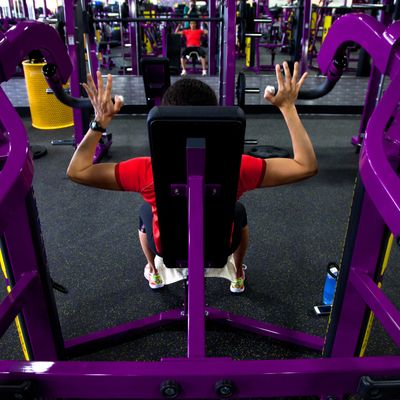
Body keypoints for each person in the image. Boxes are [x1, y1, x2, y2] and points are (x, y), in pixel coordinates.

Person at [67, 61, 317, 293]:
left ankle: (154, 270)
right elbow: (305, 166)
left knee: (145, 212)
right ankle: (238, 272)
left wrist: (99, 123)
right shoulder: (237, 167)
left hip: (168, 249)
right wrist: (288, 108)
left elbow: (78, 171)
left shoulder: (146, 170)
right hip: (220, 246)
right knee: (238, 211)